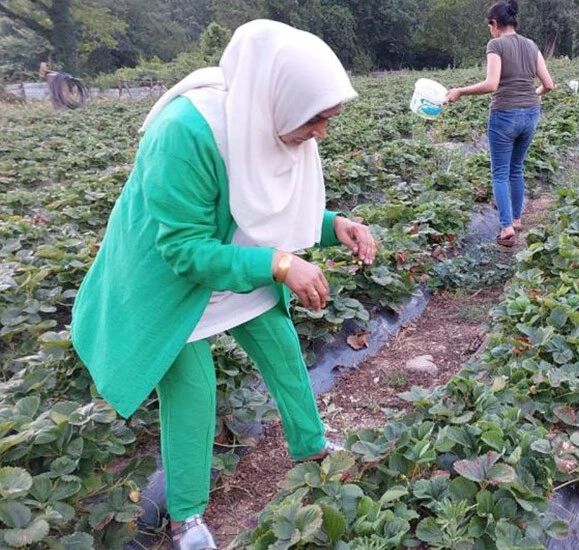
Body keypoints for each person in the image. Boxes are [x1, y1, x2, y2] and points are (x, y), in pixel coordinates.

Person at [70, 20, 377, 550]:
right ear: (280, 98)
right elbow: (184, 251)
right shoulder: (185, 131)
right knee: (193, 389)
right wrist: (280, 265)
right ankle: (187, 518)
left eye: (327, 119)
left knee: (280, 345)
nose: (321, 133)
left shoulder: (269, 117)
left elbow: (265, 201)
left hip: (239, 255)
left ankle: (311, 445)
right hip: (171, 278)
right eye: (316, 120)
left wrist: (335, 226)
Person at [444, 0, 555, 247]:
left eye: (489, 26)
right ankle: (516, 220)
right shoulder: (531, 45)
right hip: (531, 114)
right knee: (516, 168)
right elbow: (548, 84)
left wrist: (460, 91)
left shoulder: (495, 44)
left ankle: (506, 228)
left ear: (494, 23)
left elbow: (492, 84)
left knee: (500, 173)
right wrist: (533, 95)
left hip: (505, 114)